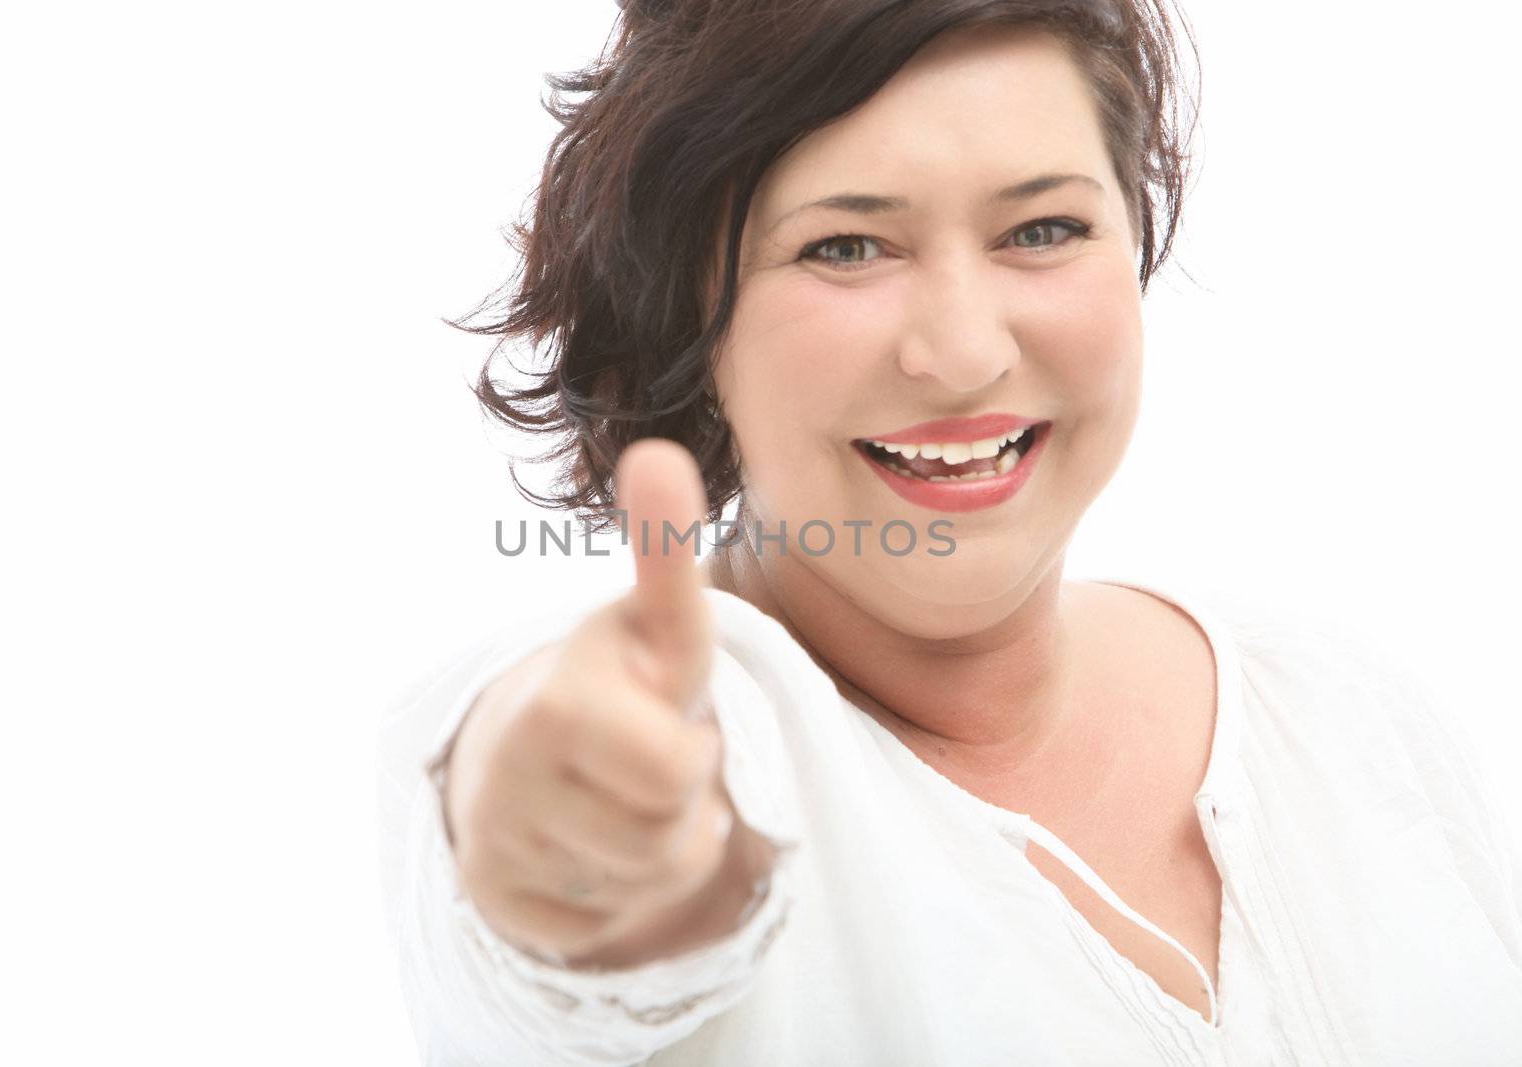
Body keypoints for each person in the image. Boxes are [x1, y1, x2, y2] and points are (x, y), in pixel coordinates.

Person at [377, 1, 1522, 1063]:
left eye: (1042, 227)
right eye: (845, 246)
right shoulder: (667, 730)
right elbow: (559, 862)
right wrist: (581, 860)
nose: (964, 350)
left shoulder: (1337, 705)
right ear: (688, 313)